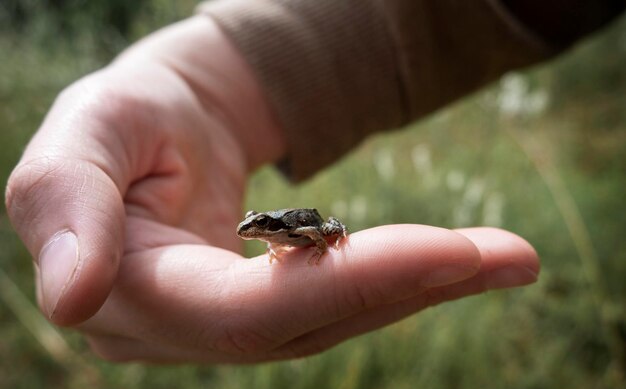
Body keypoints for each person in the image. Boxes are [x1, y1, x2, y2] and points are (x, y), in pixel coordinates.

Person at [4, 0, 624, 363]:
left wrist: (316, 241)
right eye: (251, 230)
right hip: (293, 214)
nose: (251, 233)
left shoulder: (285, 233)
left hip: (311, 224)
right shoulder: (273, 242)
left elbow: (305, 232)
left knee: (330, 234)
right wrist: (206, 81)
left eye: (255, 228)